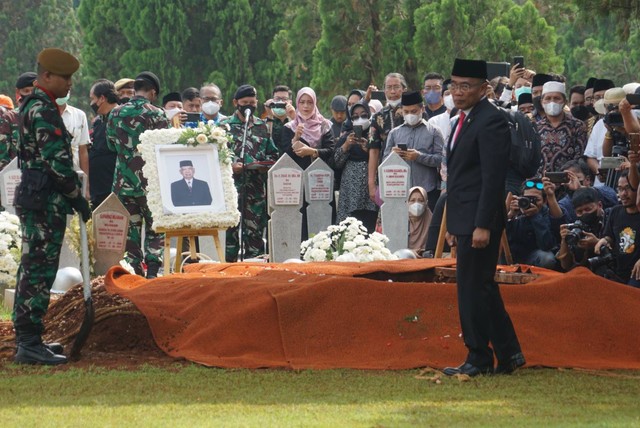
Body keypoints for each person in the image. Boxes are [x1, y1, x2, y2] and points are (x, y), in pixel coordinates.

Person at [442, 58, 524, 377]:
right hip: (465, 215)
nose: (458, 92)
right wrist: (454, 223)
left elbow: (492, 178)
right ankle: (509, 353)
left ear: (483, 88)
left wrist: (482, 225)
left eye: (466, 86)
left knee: (472, 289)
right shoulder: (464, 118)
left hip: (480, 219)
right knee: (482, 288)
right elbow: (460, 177)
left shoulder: (490, 120)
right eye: (454, 84)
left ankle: (478, 356)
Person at [13, 48, 91, 365]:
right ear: (46, 76)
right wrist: (77, 197)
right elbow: (57, 163)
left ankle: (31, 339)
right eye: (65, 77)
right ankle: (28, 343)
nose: (70, 83)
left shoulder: (38, 106)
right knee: (38, 272)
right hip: (45, 200)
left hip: (43, 199)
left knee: (38, 270)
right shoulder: (42, 110)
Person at [107, 71, 169, 278]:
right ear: (152, 92)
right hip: (149, 184)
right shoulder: (157, 114)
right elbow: (164, 147)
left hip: (123, 183)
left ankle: (133, 271)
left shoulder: (115, 113)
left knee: (130, 228)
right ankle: (152, 270)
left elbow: (110, 144)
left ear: (134, 90)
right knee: (154, 227)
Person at [222, 84, 279, 262]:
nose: (248, 106)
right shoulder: (223, 127)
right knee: (229, 235)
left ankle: (254, 271)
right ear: (235, 103)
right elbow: (213, 156)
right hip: (231, 190)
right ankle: (228, 270)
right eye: (244, 102)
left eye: (252, 103)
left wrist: (265, 164)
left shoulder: (262, 127)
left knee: (254, 235)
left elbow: (273, 154)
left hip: (255, 191)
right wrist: (229, 166)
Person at [383, 91, 444, 212]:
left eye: (414, 111)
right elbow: (384, 162)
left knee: (427, 227)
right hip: (401, 191)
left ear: (422, 109)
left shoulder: (434, 131)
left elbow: (441, 160)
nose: (410, 115)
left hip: (427, 191)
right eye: (406, 112)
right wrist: (393, 156)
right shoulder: (394, 133)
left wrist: (419, 156)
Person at [334, 100, 378, 232]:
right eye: (355, 116)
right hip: (350, 192)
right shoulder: (346, 137)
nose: (360, 119)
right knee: (349, 230)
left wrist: (368, 150)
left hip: (371, 192)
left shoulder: (375, 137)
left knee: (370, 227)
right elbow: (336, 163)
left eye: (364, 115)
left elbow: (382, 161)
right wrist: (346, 145)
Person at [595, 171, 640, 287]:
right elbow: (609, 236)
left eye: (628, 188)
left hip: (637, 274)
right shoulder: (615, 211)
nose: (623, 194)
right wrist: (604, 241)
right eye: (620, 189)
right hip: (618, 270)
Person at [505, 178, 558, 269]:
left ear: (544, 201)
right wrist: (510, 216)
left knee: (547, 258)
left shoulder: (548, 213)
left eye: (535, 200)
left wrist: (536, 217)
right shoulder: (516, 210)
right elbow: (503, 240)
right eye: (527, 199)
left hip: (534, 255)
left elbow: (546, 245)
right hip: (512, 255)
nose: (530, 203)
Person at [537, 81, 587, 173]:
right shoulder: (536, 128)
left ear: (565, 102)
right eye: (548, 98)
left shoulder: (577, 126)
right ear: (542, 102)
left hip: (568, 181)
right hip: (540, 183)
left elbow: (580, 157)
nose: (552, 102)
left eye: (557, 98)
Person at [556, 187, 608, 272]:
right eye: (579, 212)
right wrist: (564, 240)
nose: (584, 214)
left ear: (599, 205)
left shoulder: (611, 218)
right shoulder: (577, 227)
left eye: (588, 209)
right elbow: (565, 265)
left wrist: (597, 243)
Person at [88, 79, 118, 209]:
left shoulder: (119, 119)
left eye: (92, 98)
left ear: (102, 99)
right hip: (98, 189)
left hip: (113, 187)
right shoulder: (99, 122)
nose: (91, 103)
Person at [57, 92, 90, 176]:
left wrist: (86, 183)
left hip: (73, 173)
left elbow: (83, 150)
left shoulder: (79, 115)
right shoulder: (41, 114)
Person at [264, 85, 295, 153]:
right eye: (277, 99)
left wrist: (294, 116)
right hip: (272, 160)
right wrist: (270, 115)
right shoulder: (265, 122)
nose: (280, 102)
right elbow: (266, 143)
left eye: (284, 99)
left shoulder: (293, 121)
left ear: (290, 102)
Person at [407, 186, 432, 256]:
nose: (416, 204)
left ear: (426, 203)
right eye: (412, 200)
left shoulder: (431, 221)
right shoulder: (400, 221)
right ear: (407, 202)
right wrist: (409, 252)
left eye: (421, 201)